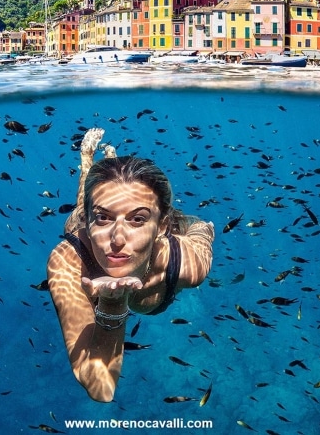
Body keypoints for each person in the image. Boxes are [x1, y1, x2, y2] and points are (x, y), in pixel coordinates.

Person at [47, 128, 215, 402]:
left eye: (137, 219)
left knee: (196, 225)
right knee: (80, 208)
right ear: (90, 224)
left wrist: (205, 229)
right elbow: (101, 390)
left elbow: (200, 234)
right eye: (102, 219)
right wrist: (113, 305)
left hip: (178, 232)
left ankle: (102, 177)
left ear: (161, 227)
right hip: (84, 230)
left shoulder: (186, 264)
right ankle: (87, 161)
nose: (117, 239)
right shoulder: (69, 262)